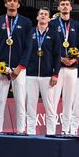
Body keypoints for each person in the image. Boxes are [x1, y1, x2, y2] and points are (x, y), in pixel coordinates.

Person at [0, 0, 32, 133]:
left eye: (15, 1)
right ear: (5, 4)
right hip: (1, 67)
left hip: (19, 69)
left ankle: (20, 132)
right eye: (9, 1)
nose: (12, 3)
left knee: (20, 102)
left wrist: (20, 67)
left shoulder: (26, 22)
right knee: (0, 102)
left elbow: (28, 46)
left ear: (19, 5)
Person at [50, 0, 79, 135]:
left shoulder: (76, 25)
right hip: (56, 68)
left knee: (69, 100)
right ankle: (50, 131)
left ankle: (66, 130)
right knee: (53, 100)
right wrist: (60, 58)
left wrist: (75, 60)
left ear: (70, 8)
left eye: (67, 4)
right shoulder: (52, 24)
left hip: (72, 68)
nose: (64, 6)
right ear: (58, 8)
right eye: (62, 4)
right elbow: (49, 45)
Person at [26, 7, 60, 135]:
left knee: (50, 107)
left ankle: (50, 133)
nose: (43, 16)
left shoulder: (54, 34)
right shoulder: (29, 32)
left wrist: (55, 74)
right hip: (30, 75)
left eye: (46, 14)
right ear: (37, 17)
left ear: (49, 18)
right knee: (30, 106)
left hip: (47, 76)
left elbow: (57, 55)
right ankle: (30, 133)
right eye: (41, 14)